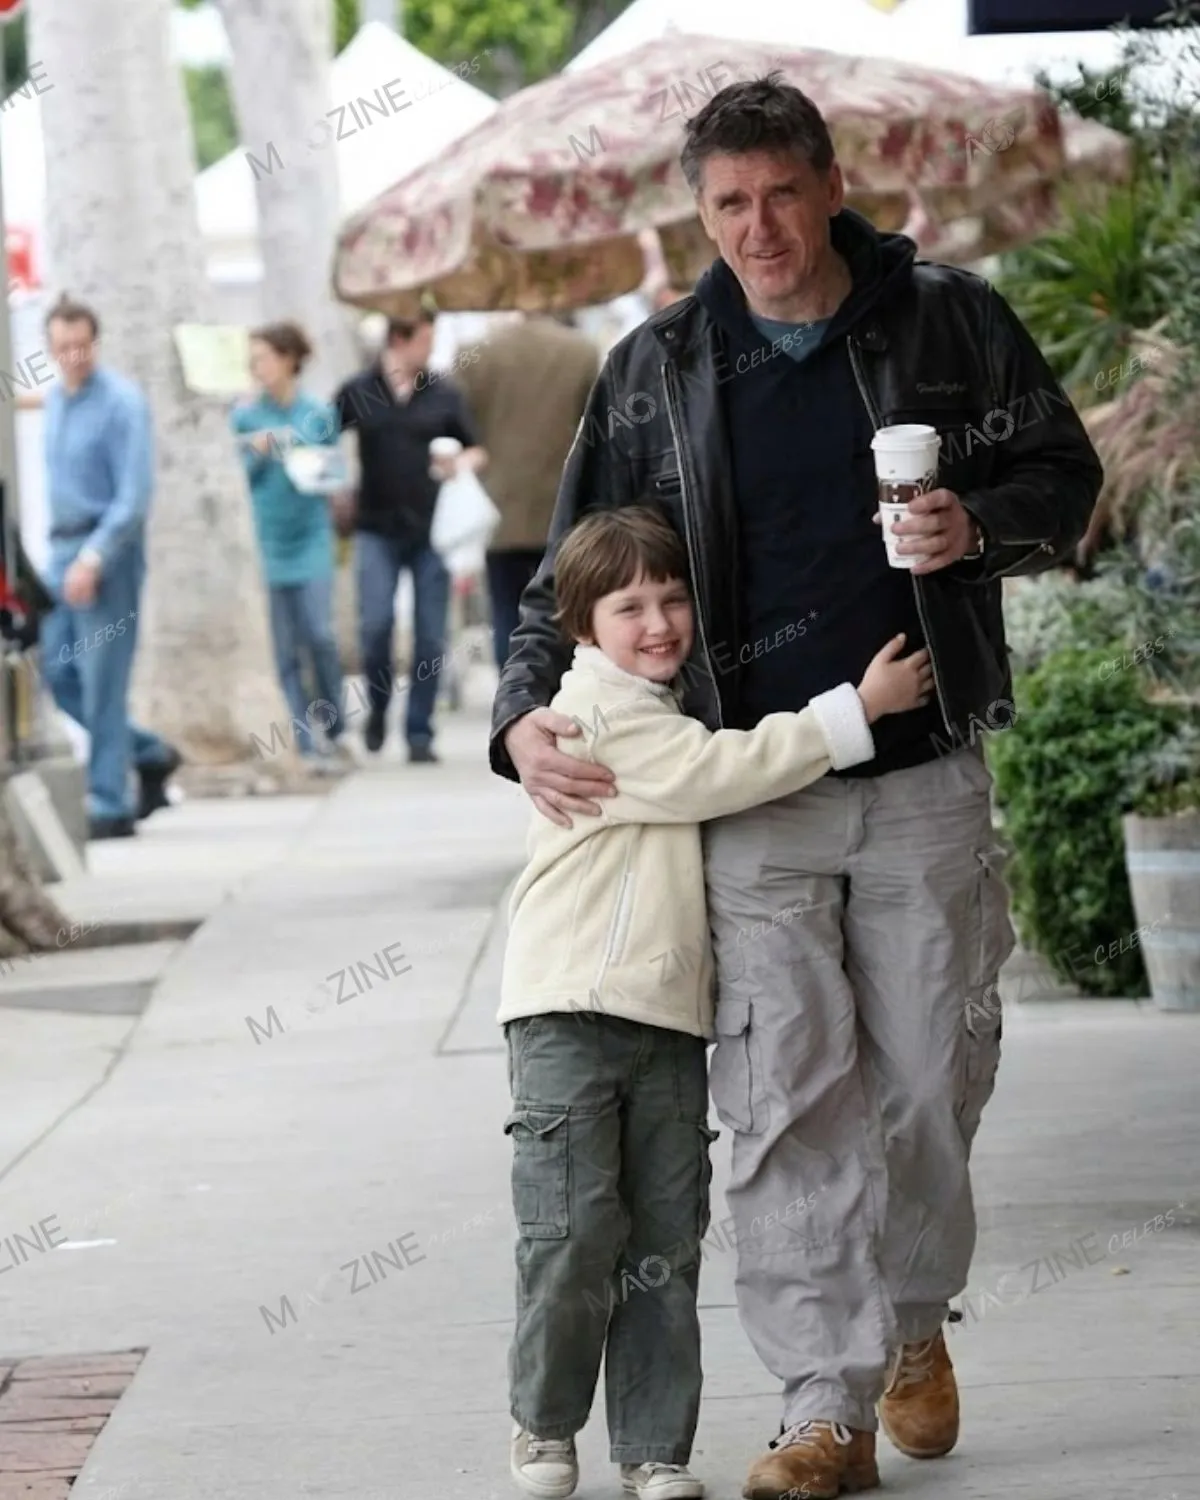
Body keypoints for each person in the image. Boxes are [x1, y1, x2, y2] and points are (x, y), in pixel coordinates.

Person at [490, 74, 1103, 1500]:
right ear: (699, 216)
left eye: (781, 195)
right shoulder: (655, 368)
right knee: (783, 1097)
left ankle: (910, 1322)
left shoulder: (945, 318)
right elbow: (563, 578)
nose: (758, 228)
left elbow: (1065, 479)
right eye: (729, 205)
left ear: (832, 185)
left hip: (923, 769)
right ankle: (821, 1403)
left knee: (932, 1080)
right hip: (748, 793)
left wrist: (976, 525)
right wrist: (521, 718)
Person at [501, 505, 931, 1500]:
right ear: (580, 625)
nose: (658, 624)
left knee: (662, 1243)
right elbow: (718, 774)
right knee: (571, 1232)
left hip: (663, 1023)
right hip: (568, 1009)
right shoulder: (591, 716)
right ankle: (544, 1424)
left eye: (672, 599)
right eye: (629, 607)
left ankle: (654, 1448)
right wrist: (856, 711)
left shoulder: (660, 704)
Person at [40, 294, 182, 840]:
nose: (73, 356)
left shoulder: (122, 404)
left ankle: (109, 801)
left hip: (107, 555)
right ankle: (148, 751)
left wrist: (95, 556)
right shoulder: (55, 402)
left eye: (81, 345)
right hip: (60, 551)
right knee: (55, 671)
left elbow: (133, 496)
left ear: (95, 343)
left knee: (103, 682)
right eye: (63, 347)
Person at [334, 305, 486, 763]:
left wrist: (459, 463)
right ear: (398, 340)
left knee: (429, 634)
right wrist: (334, 487)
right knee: (375, 626)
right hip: (375, 528)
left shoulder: (443, 393)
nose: (431, 350)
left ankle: (420, 729)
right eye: (425, 340)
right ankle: (379, 710)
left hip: (431, 531)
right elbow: (324, 441)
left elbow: (478, 449)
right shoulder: (358, 391)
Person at [231, 322, 346, 770]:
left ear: (288, 359)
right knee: (284, 649)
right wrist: (257, 453)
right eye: (252, 359)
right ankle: (304, 741)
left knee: (320, 635)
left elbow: (332, 473)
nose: (256, 367)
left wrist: (294, 450)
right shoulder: (245, 417)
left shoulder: (318, 413)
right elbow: (238, 478)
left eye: (263, 357)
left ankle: (334, 724)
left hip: (311, 537)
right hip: (268, 541)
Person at [456, 313, 600, 668]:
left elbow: (459, 426)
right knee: (563, 610)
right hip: (562, 505)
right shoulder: (581, 351)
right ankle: (556, 687)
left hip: (499, 509)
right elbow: (597, 427)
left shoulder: (478, 355)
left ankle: (512, 690)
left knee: (506, 610)